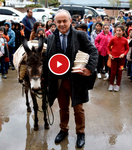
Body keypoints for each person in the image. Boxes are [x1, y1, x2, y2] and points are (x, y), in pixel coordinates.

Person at [44, 9, 98, 148]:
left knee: (78, 109)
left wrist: (89, 68)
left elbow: (93, 51)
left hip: (76, 80)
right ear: (54, 22)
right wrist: (45, 78)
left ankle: (81, 132)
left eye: (64, 21)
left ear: (70, 21)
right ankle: (63, 130)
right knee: (63, 108)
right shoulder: (50, 37)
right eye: (59, 21)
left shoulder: (80, 35)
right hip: (59, 81)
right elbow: (48, 59)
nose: (62, 24)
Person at [107, 25, 129, 92]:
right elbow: (108, 47)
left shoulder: (125, 40)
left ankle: (118, 85)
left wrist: (124, 54)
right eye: (117, 30)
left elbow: (127, 49)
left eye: (120, 31)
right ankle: (111, 84)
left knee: (120, 72)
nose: (118, 32)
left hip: (122, 60)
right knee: (113, 72)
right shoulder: (113, 39)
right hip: (114, 59)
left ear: (123, 32)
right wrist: (109, 55)